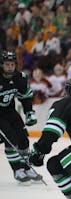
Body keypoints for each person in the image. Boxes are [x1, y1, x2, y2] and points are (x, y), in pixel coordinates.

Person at [0, 51, 42, 184]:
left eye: (12, 64)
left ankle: (26, 167)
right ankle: (17, 170)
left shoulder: (19, 77)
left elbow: (25, 96)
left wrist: (29, 112)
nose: (10, 67)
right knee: (11, 139)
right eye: (7, 65)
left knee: (23, 139)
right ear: (1, 65)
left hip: (9, 111)